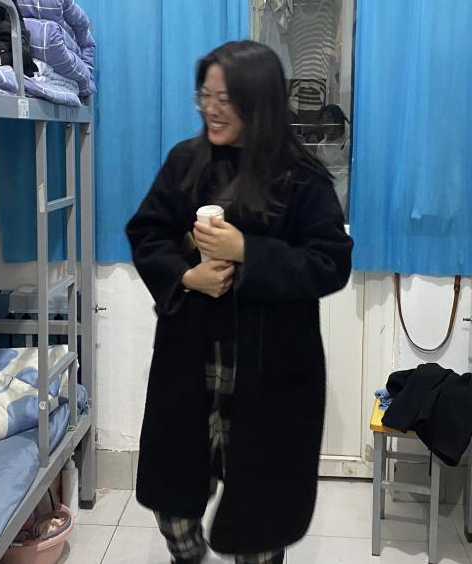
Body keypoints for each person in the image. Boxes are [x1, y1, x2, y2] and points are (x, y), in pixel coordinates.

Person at [126, 40, 353, 564]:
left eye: (224, 98)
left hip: (271, 372)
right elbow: (147, 233)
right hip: (191, 361)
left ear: (259, 101)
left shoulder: (302, 176)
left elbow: (330, 263)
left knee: (260, 522)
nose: (211, 108)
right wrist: (187, 276)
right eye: (204, 96)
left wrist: (248, 252)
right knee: (174, 505)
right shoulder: (185, 161)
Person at [316, 104, 351, 217]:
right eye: (323, 121)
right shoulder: (321, 146)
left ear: (338, 120)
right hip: (328, 187)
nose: (326, 124)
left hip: (345, 188)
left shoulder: (349, 142)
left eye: (329, 120)